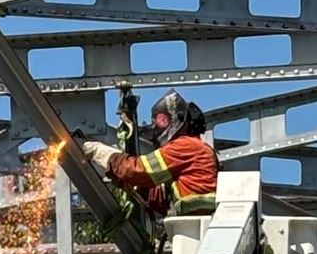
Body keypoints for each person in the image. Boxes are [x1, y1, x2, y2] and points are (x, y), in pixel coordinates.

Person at [83, 92, 219, 218]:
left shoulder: (186, 147)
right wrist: (131, 183)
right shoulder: (196, 151)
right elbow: (160, 198)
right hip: (198, 227)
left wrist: (99, 152)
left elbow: (138, 170)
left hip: (197, 228)